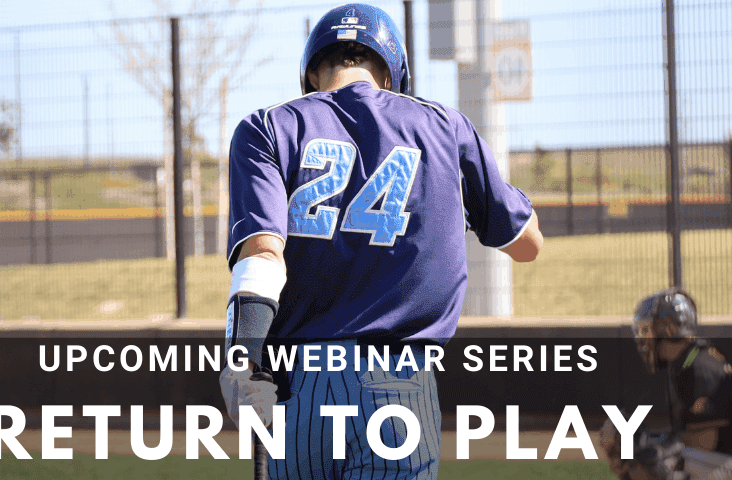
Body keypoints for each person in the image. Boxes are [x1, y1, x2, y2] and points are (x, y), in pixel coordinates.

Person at [218, 4, 543, 479]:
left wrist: (241, 359)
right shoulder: (446, 127)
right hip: (397, 386)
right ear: (391, 75)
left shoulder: (267, 127)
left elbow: (262, 256)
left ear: (312, 72)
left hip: (297, 390)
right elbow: (527, 243)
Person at [602, 289, 732, 480]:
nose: (642, 337)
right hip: (729, 463)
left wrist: (646, 446)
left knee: (651, 461)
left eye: (647, 329)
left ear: (670, 327)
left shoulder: (699, 366)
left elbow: (704, 441)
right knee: (639, 453)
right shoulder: (687, 361)